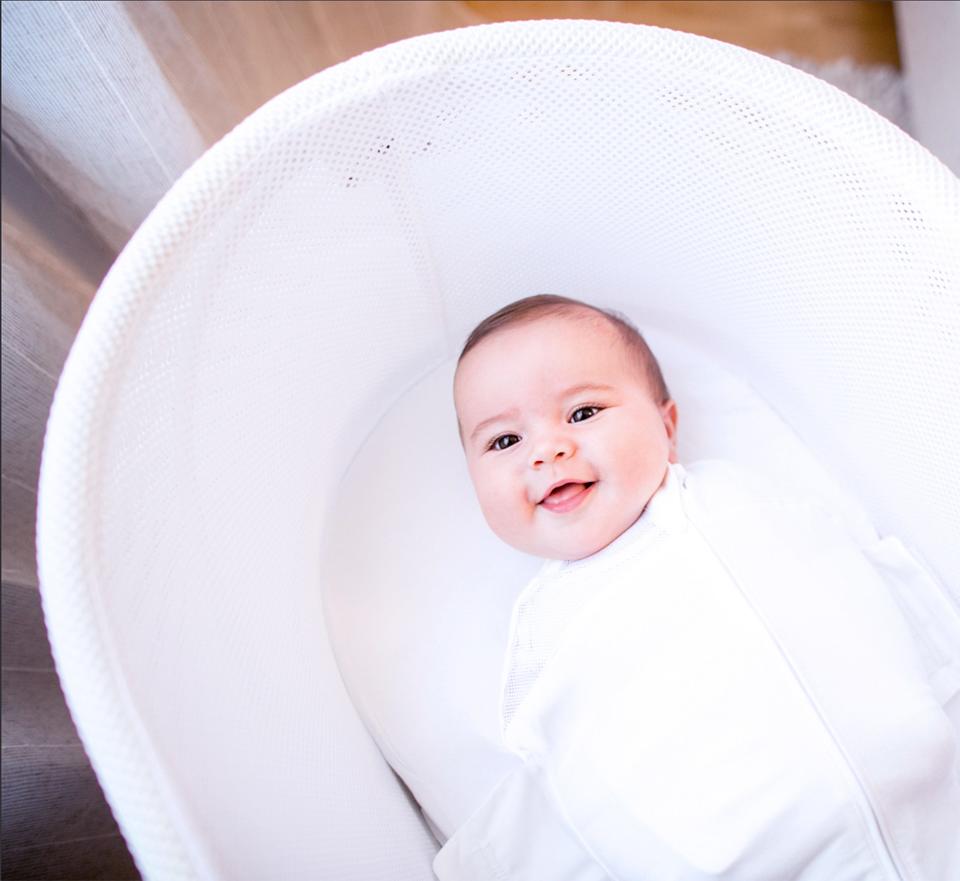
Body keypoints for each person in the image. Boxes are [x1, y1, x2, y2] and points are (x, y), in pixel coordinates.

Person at [440, 294, 960, 881]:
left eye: (583, 413)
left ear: (666, 427)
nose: (547, 450)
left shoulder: (741, 498)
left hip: (928, 809)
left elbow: (848, 571)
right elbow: (563, 782)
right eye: (504, 442)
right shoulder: (545, 627)